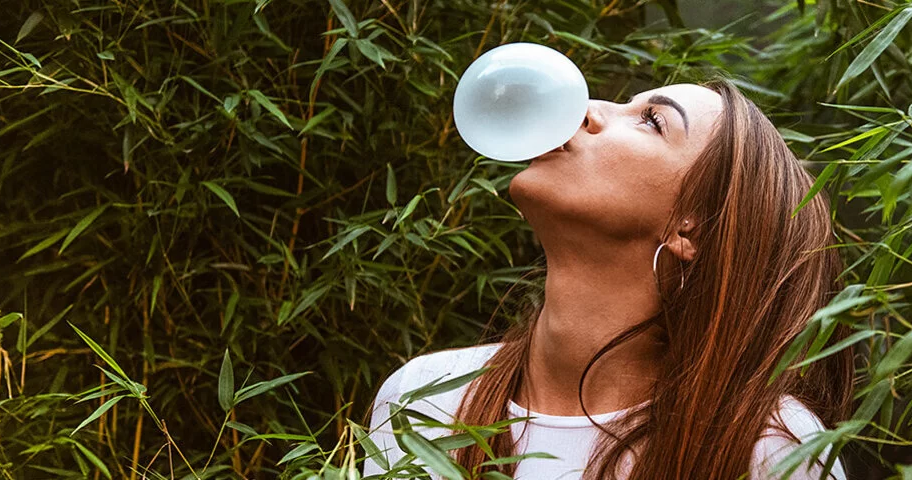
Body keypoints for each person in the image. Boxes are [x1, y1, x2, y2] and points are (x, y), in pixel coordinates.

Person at [362, 78, 853, 480]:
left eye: (650, 120)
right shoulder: (423, 399)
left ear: (691, 226)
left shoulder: (766, 449)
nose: (588, 108)